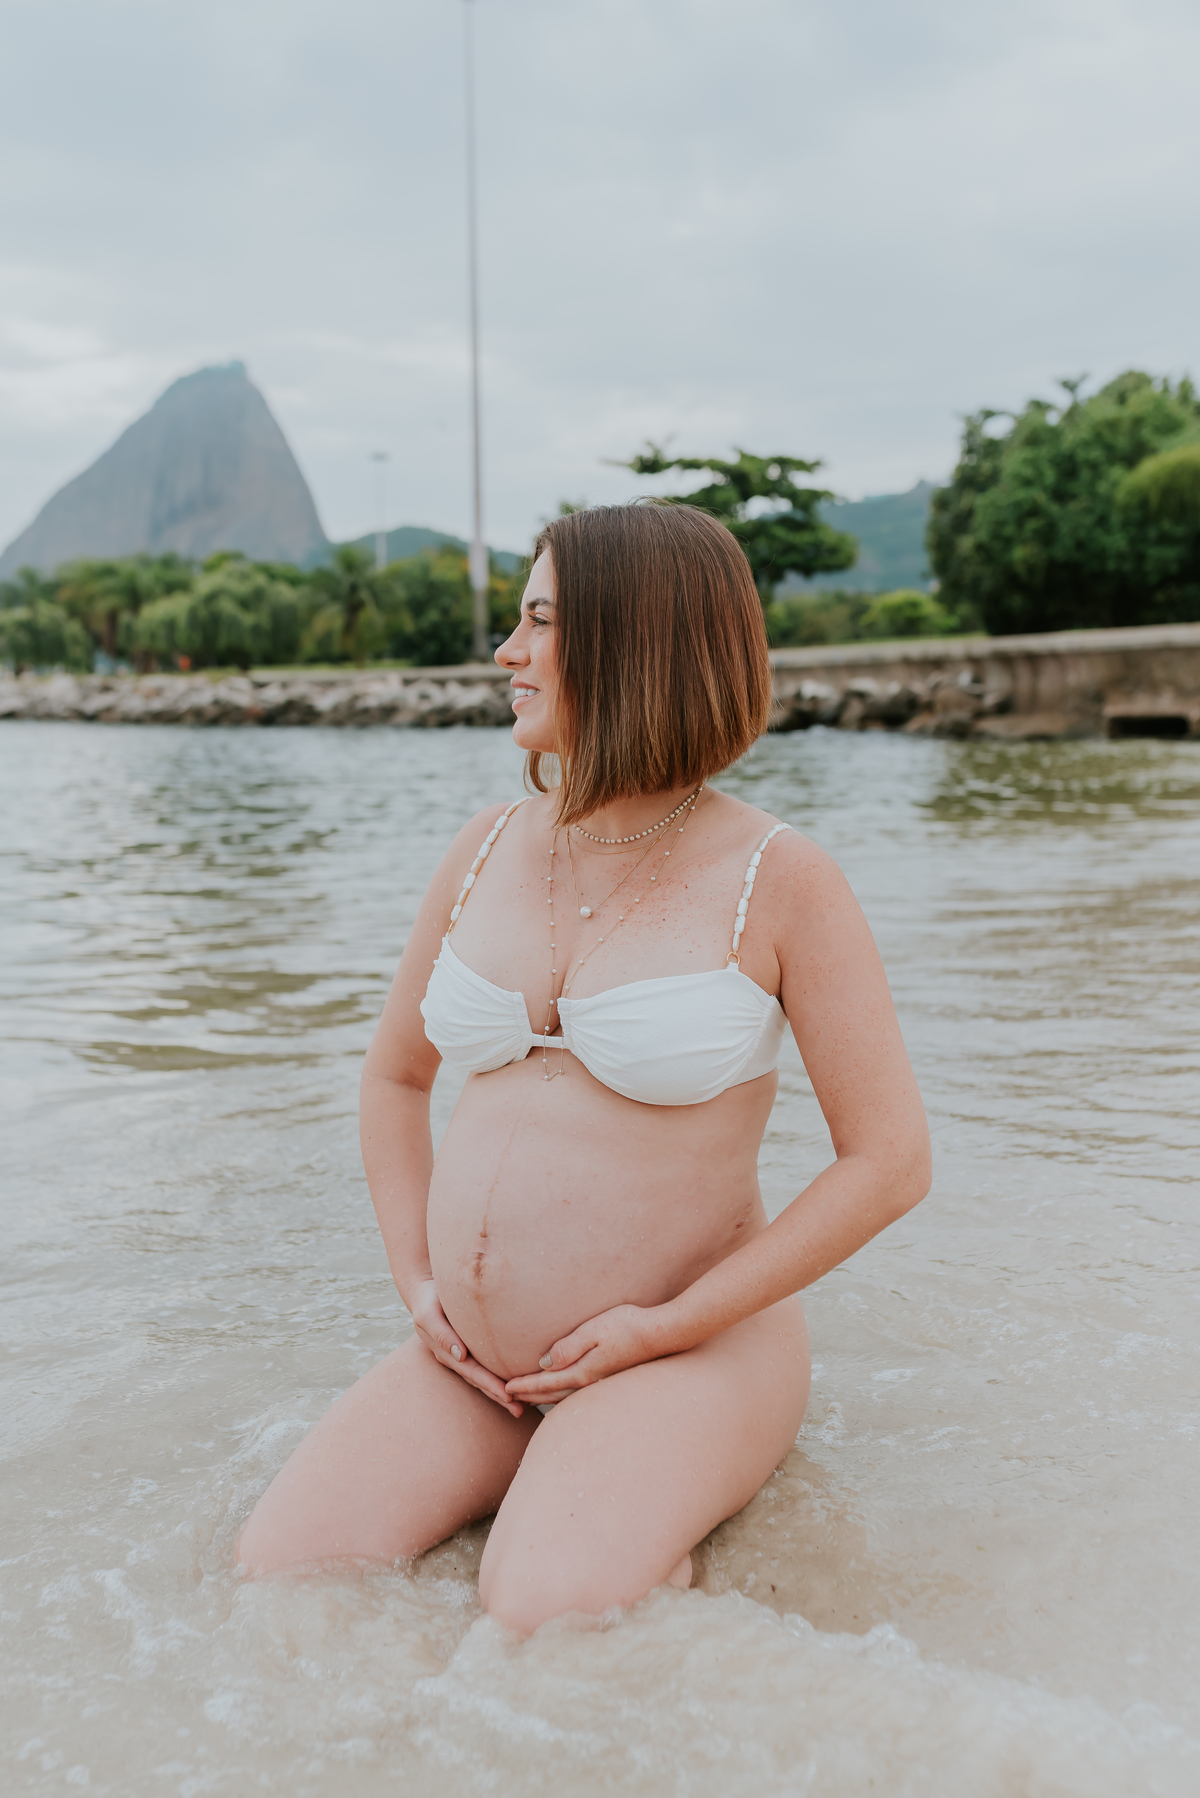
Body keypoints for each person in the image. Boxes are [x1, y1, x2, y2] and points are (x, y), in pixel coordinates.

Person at [237, 502, 930, 1632]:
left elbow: (890, 1161)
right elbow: (394, 1080)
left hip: (684, 1350)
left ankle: (643, 1514)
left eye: (540, 621)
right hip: (478, 1363)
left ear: (634, 640)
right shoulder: (484, 845)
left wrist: (666, 1326)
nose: (506, 652)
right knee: (281, 1579)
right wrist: (421, 1284)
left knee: (542, 1615)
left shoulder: (781, 877)